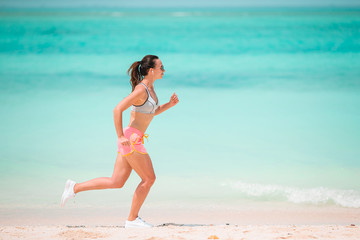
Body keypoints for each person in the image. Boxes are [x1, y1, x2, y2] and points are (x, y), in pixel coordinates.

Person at [60, 55, 179, 228]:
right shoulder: (141, 90)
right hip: (130, 139)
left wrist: (169, 104)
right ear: (151, 70)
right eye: (161, 67)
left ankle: (74, 187)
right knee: (149, 179)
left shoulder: (151, 89)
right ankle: (132, 219)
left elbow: (149, 113)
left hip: (133, 138)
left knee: (116, 181)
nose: (164, 70)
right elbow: (117, 109)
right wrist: (120, 136)